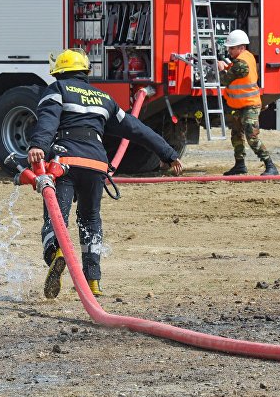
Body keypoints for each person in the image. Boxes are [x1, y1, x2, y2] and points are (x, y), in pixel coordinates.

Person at [28, 49, 184, 299]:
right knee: (90, 220)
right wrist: (168, 153)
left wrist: (38, 145)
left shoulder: (57, 89)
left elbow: (47, 120)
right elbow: (136, 129)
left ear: (59, 71)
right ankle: (93, 281)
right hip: (96, 166)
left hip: (64, 163)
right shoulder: (103, 98)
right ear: (85, 72)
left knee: (56, 216)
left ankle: (56, 253)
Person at [218, 29, 279, 176]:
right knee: (236, 135)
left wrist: (220, 69)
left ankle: (270, 166)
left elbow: (225, 80)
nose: (229, 51)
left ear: (242, 47)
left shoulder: (241, 63)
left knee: (251, 136)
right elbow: (235, 71)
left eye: (232, 48)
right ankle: (240, 165)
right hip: (240, 105)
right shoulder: (246, 58)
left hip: (249, 105)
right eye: (229, 48)